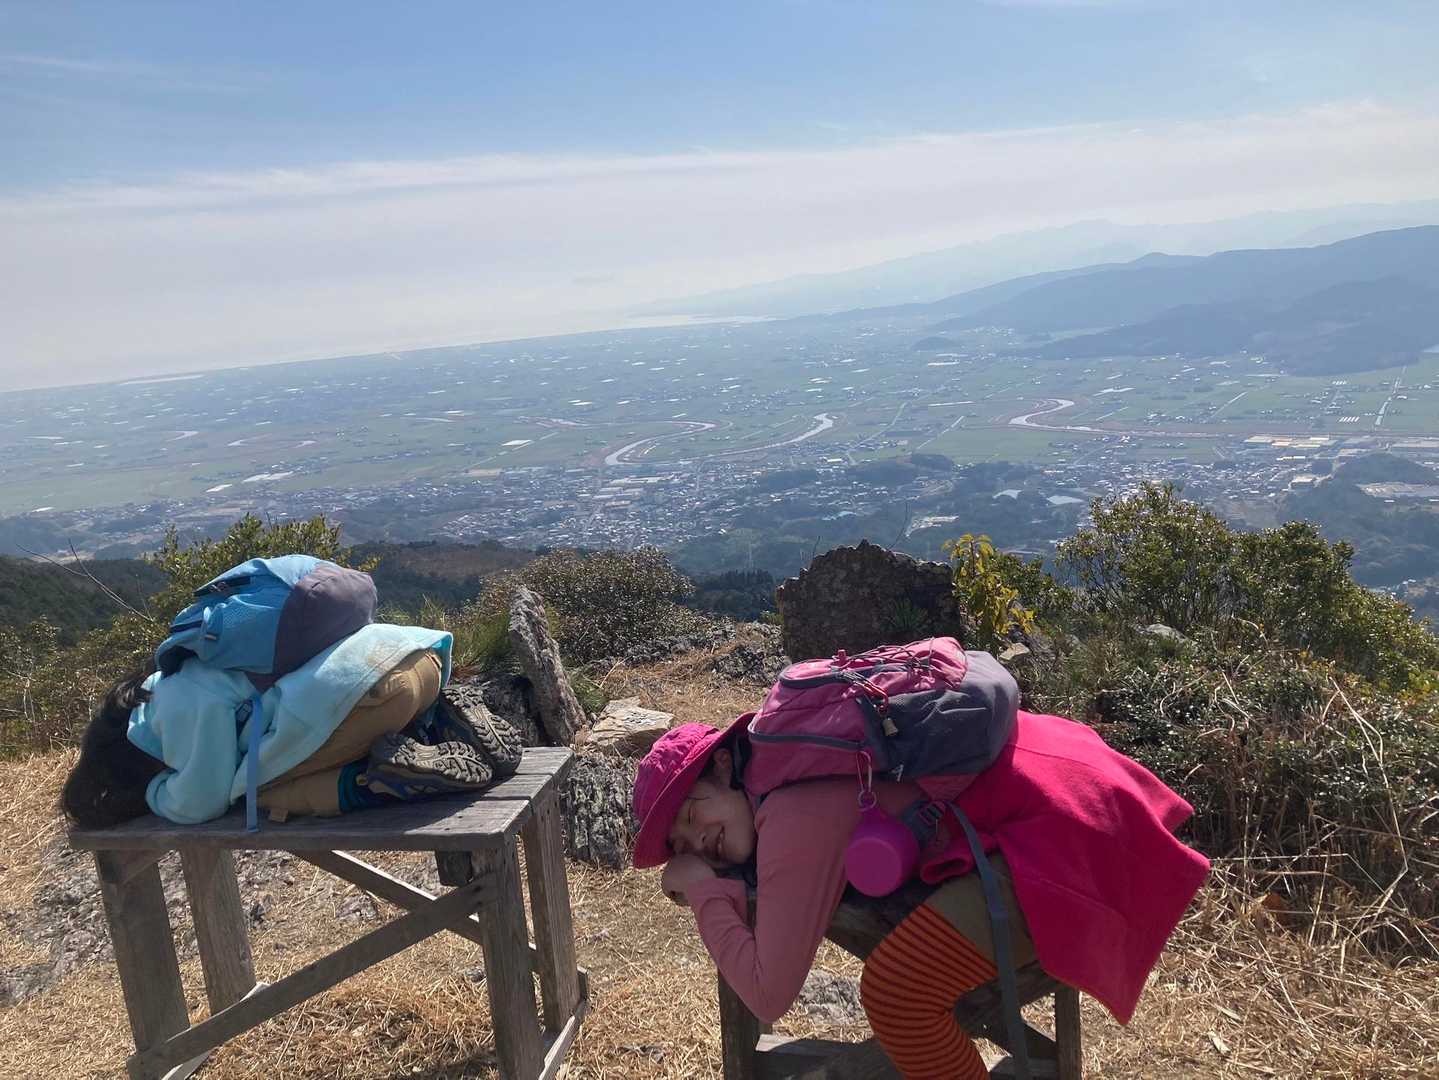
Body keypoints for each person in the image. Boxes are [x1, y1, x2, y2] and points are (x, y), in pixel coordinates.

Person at [632, 707, 1210, 1080]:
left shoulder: (790, 810)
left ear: (725, 766)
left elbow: (768, 995)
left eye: (693, 813)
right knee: (906, 979)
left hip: (1058, 832)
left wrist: (705, 890)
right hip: (1053, 777)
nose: (697, 841)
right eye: (682, 843)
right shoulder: (784, 759)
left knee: (898, 994)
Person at [63, 624, 521, 829]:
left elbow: (201, 801)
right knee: (292, 740)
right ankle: (441, 727)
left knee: (253, 792)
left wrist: (154, 793)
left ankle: (376, 783)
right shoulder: (186, 665)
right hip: (420, 658)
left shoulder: (173, 708)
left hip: (377, 696)